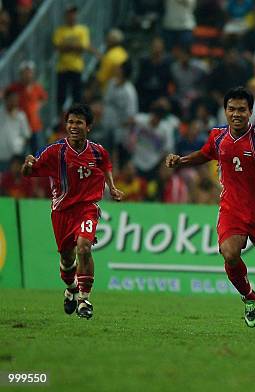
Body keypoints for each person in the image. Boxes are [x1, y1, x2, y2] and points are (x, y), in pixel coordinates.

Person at [165, 87, 255, 336]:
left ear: (250, 112)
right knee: (229, 253)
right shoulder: (217, 136)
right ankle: (249, 296)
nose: (236, 114)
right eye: (232, 109)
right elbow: (205, 154)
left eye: (242, 110)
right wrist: (181, 160)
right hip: (232, 208)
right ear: (225, 111)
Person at [21, 103, 124, 319]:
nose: (73, 126)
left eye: (78, 122)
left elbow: (106, 166)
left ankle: (84, 299)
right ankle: (71, 288)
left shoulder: (98, 151)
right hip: (62, 211)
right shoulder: (54, 151)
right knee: (67, 260)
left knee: (84, 248)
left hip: (87, 208)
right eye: (70, 122)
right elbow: (29, 170)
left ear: (89, 127)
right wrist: (28, 164)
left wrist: (112, 187)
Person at [53, 5, 91, 109]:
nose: (72, 16)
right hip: (62, 67)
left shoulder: (82, 30)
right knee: (61, 97)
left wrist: (67, 46)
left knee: (77, 96)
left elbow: (83, 47)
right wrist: (74, 46)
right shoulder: (60, 30)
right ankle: (61, 120)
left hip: (76, 67)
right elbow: (58, 47)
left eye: (74, 13)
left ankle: (76, 117)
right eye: (70, 13)